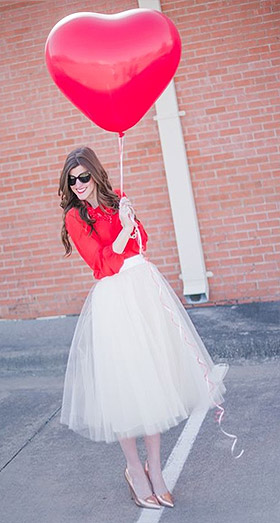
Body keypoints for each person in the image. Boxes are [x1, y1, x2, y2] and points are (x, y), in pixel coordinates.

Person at [58, 146, 229, 510]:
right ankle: (135, 470)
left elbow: (142, 243)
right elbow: (101, 264)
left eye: (84, 177)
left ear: (96, 174)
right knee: (127, 385)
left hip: (144, 292)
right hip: (114, 300)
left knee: (153, 381)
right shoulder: (75, 216)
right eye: (72, 180)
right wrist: (120, 237)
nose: (78, 185)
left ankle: (156, 467)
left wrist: (129, 219)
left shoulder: (117, 198)